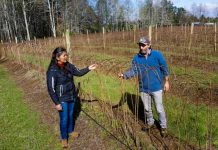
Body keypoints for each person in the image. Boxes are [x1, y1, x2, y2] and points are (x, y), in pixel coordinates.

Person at [119, 36, 169, 137]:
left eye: (143, 45)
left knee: (159, 109)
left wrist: (167, 81)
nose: (141, 47)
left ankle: (163, 127)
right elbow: (134, 70)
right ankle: (150, 123)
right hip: (143, 88)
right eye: (140, 45)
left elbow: (164, 67)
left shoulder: (157, 55)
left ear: (149, 45)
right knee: (147, 108)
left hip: (156, 87)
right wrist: (124, 75)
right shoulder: (136, 58)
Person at [46, 47, 97, 148]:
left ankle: (70, 131)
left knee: (70, 115)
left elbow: (78, 72)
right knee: (64, 118)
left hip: (72, 96)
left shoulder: (68, 65)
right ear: (57, 57)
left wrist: (88, 68)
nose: (66, 57)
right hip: (62, 99)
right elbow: (51, 89)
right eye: (64, 55)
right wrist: (57, 103)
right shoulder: (52, 70)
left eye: (66, 55)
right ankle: (64, 138)